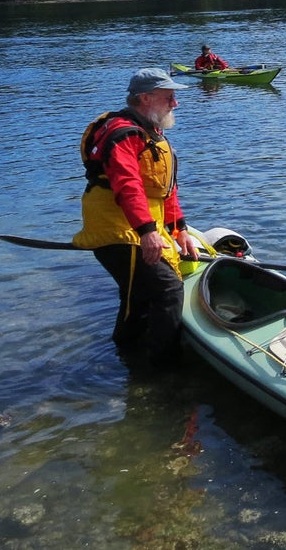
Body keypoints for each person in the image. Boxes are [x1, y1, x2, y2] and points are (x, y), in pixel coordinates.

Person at [73, 68, 198, 366]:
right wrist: (146, 231)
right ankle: (157, 367)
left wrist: (179, 229)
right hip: (118, 230)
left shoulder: (150, 131)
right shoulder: (124, 134)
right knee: (165, 290)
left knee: (141, 296)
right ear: (145, 98)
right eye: (169, 98)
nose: (175, 104)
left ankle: (130, 361)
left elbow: (164, 189)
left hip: (140, 228)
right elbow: (128, 186)